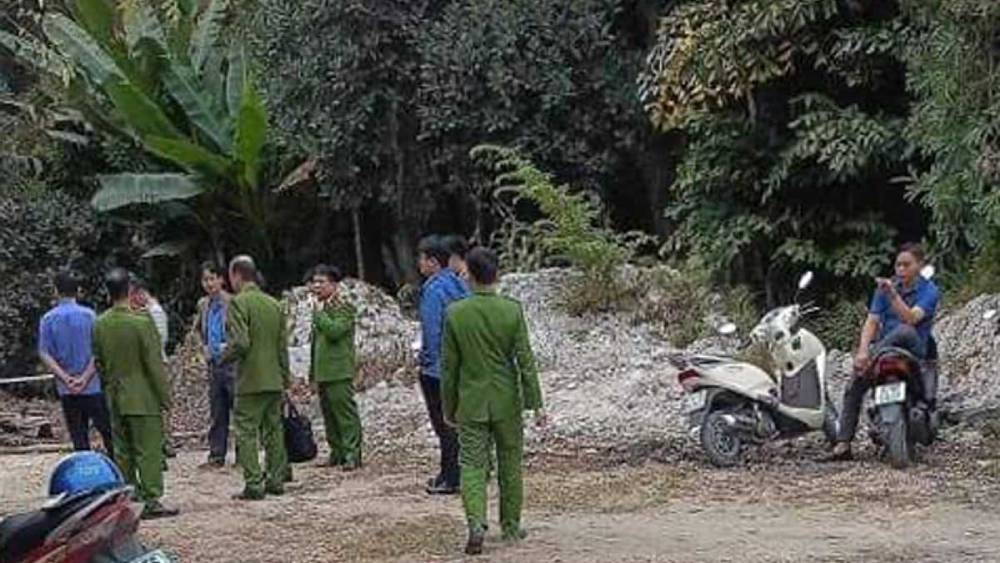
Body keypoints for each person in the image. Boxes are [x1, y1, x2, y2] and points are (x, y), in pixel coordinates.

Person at [441, 247, 546, 555]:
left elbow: (449, 368)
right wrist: (536, 402)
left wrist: (449, 406)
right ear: (496, 275)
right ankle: (511, 525)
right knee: (510, 463)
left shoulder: (455, 313)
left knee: (472, 464)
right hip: (506, 400)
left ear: (469, 275)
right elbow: (525, 360)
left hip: (471, 402)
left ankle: (476, 523)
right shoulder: (512, 310)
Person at [830, 243, 941, 461]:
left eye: (906, 265)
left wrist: (892, 295)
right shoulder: (884, 289)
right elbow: (872, 321)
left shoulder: (929, 291)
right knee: (854, 385)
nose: (901, 269)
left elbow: (911, 318)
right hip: (885, 350)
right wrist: (862, 352)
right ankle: (843, 443)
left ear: (919, 265)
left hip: (914, 348)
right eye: (898, 265)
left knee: (905, 330)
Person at [92, 268, 177, 519]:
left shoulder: (100, 324)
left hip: (115, 394)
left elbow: (98, 362)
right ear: (129, 289)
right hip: (143, 395)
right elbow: (153, 364)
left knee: (123, 450)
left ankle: (130, 494)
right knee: (148, 448)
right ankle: (151, 499)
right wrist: (165, 398)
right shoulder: (141, 321)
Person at [222, 255, 292, 500]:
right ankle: (276, 479)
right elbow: (282, 347)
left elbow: (240, 342)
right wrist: (286, 379)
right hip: (273, 378)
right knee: (274, 430)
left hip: (250, 379)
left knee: (247, 431)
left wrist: (223, 356)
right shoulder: (274, 304)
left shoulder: (238, 303)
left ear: (237, 275)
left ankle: (253, 483)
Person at [38, 270, 114, 459]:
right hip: (92, 385)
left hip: (67, 389)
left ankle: (86, 476)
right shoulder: (90, 315)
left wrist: (66, 378)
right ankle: (116, 471)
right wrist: (85, 377)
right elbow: (100, 350)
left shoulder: (48, 319)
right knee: (108, 432)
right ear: (78, 290)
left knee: (79, 437)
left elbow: (44, 353)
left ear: (55, 291)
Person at [417, 235, 470, 495]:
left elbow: (431, 329)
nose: (420, 264)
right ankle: (456, 472)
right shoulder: (460, 286)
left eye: (422, 259)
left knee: (443, 423)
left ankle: (451, 477)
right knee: (459, 422)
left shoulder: (433, 289)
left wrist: (425, 360)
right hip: (463, 364)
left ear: (433, 262)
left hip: (437, 368)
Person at [308, 264, 362, 470]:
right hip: (323, 371)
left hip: (339, 370)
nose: (317, 286)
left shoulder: (344, 307)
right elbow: (316, 345)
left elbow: (335, 331)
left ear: (334, 285)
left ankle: (352, 454)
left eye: (322, 282)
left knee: (344, 414)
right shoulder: (319, 309)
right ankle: (337, 452)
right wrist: (312, 374)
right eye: (315, 282)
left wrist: (319, 315)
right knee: (329, 415)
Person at [129, 277, 176, 460]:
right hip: (149, 364)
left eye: (133, 294)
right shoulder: (143, 312)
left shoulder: (154, 312)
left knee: (156, 406)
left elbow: (159, 340)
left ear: (141, 292)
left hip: (156, 364)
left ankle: (163, 443)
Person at [194, 262, 234, 468]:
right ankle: (216, 454)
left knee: (239, 409)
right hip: (213, 363)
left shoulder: (232, 302)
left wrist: (227, 347)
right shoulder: (203, 304)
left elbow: (239, 332)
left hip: (232, 363)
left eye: (212, 278)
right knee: (217, 411)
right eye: (205, 279)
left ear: (221, 279)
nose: (209, 284)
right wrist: (205, 348)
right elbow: (200, 330)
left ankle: (245, 454)